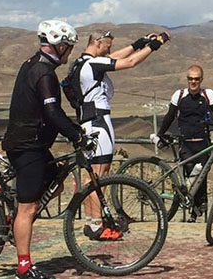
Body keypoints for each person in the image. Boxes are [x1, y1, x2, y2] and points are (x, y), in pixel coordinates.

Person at [2, 20, 95, 279]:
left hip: (32, 142)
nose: (70, 53)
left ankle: (17, 220)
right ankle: (24, 265)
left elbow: (52, 112)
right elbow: (52, 112)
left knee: (57, 182)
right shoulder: (44, 73)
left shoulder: (32, 63)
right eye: (70, 48)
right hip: (27, 145)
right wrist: (77, 134)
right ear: (60, 46)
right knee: (28, 207)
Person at [71, 29, 170, 240]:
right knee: (100, 174)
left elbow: (113, 58)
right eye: (107, 45)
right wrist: (155, 45)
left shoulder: (82, 63)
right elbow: (130, 62)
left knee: (93, 175)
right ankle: (98, 225)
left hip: (87, 122)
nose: (110, 50)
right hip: (99, 121)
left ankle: (91, 221)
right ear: (98, 43)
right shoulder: (93, 64)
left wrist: (139, 43)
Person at [151, 64, 213, 222]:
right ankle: (192, 210)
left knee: (201, 177)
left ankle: (197, 211)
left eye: (196, 79)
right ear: (187, 79)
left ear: (201, 80)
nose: (193, 82)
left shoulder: (208, 95)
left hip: (203, 143)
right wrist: (160, 134)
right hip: (185, 143)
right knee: (189, 178)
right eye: (190, 79)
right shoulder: (179, 95)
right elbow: (169, 116)